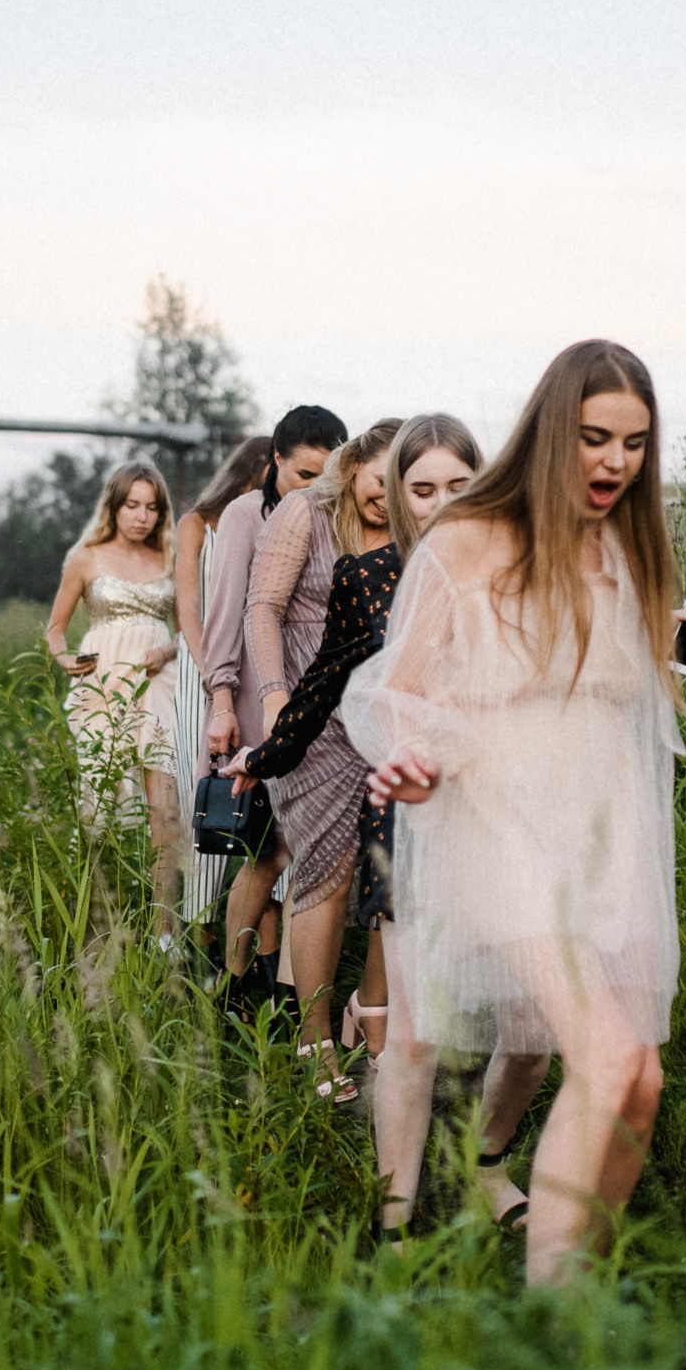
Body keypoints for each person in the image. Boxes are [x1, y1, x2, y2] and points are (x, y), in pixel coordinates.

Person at [345, 341, 686, 1284]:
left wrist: (678, 652)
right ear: (553, 430)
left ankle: (581, 1274)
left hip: (600, 837)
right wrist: (418, 765)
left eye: (634, 444)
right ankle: (558, 1315)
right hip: (499, 832)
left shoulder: (622, 547)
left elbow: (625, 702)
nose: (614, 463)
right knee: (604, 1059)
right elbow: (398, 692)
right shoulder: (471, 540)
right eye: (595, 438)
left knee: (641, 1079)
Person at [231, 413, 547, 1234]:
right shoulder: (368, 577)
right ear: (399, 499)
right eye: (422, 488)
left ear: (482, 484)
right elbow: (329, 679)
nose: (442, 503)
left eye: (457, 485)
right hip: (407, 818)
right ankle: (395, 1222)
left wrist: (678, 649)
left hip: (502, 817)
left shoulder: (519, 574)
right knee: (408, 1035)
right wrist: (262, 755)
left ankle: (485, 1163)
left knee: (528, 1021)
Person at [230, 417, 402, 1100]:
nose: (387, 497)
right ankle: (314, 1041)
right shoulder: (307, 512)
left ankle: (374, 1011)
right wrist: (273, 697)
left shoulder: (419, 530)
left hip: (387, 717)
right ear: (354, 465)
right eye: (377, 480)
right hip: (312, 708)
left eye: (403, 485)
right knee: (325, 873)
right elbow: (263, 607)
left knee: (395, 872)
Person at [199, 405, 347, 1013]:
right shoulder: (244, 515)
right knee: (266, 851)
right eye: (305, 475)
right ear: (276, 461)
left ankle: (284, 987)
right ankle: (234, 982)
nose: (316, 488)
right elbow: (232, 608)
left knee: (305, 850)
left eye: (328, 475)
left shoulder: (337, 517)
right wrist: (222, 700)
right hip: (263, 704)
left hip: (318, 704)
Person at [43, 461, 184, 933]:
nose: (142, 516)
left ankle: (165, 935)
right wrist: (63, 659)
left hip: (158, 682)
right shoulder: (86, 557)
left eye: (152, 507)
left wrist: (164, 650)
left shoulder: (170, 557)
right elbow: (55, 630)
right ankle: (98, 926)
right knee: (101, 807)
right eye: (132, 505)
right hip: (103, 681)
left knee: (164, 808)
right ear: (115, 506)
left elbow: (188, 633)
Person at [172, 435, 274, 958]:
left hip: (258, 671)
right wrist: (211, 675)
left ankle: (261, 952)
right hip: (204, 670)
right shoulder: (198, 525)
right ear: (252, 471)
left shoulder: (276, 520)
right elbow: (188, 605)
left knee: (262, 800)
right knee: (208, 796)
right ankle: (199, 934)